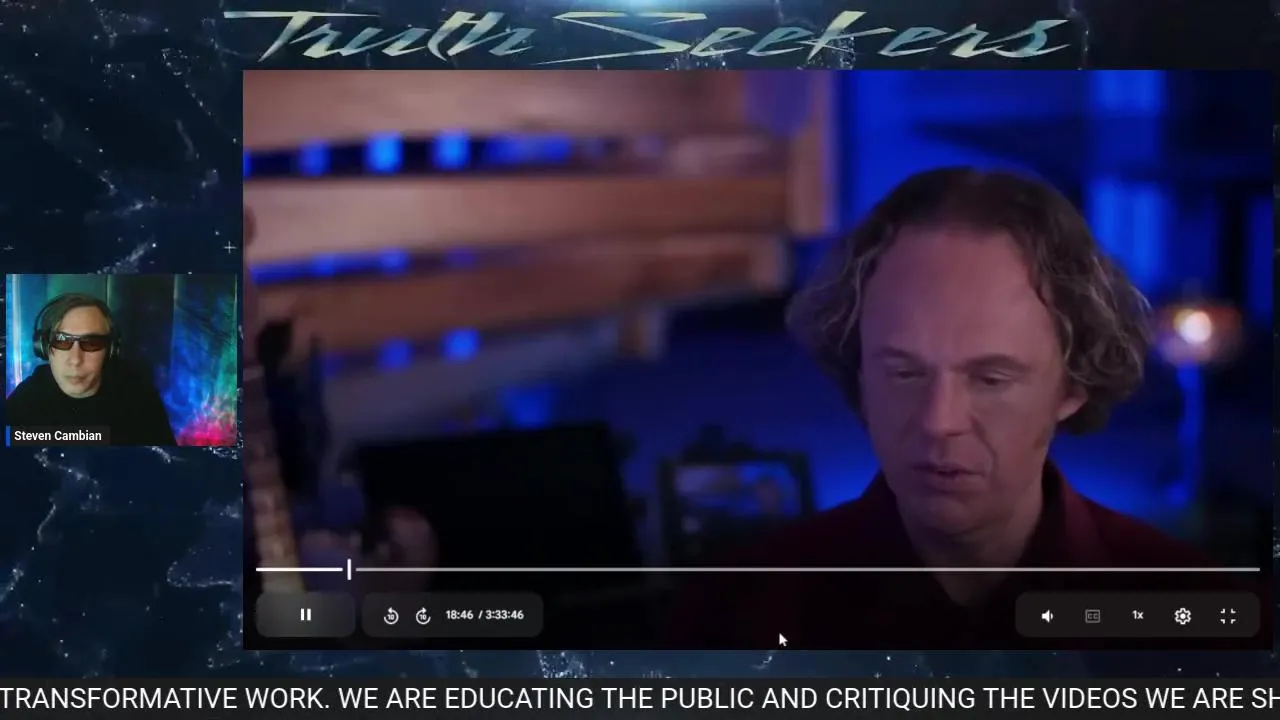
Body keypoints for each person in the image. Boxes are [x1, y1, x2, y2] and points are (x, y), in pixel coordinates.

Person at [664, 167, 1231, 649]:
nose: (939, 421)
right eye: (904, 373)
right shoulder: (737, 614)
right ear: (858, 372)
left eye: (990, 379)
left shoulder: (1199, 615)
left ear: (1072, 386)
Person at [7, 292, 177, 446]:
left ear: (110, 351)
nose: (75, 360)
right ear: (43, 348)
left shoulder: (139, 398)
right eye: (61, 341)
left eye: (91, 343)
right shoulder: (24, 402)